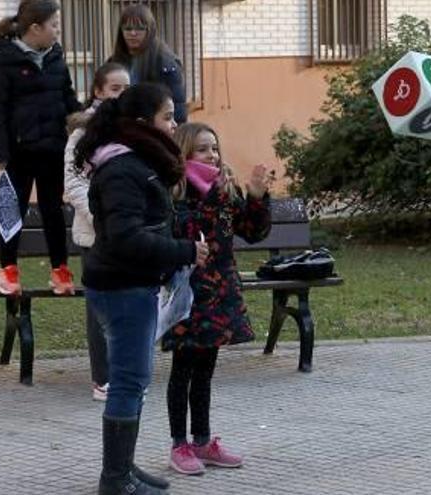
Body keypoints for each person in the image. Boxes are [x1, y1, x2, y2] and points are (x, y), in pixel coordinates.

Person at [74, 82, 208, 495]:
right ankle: (115, 479)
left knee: (134, 380)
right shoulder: (123, 169)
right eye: (167, 116)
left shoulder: (134, 161)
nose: (174, 124)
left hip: (131, 284)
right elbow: (125, 238)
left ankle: (124, 468)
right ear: (141, 122)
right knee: (129, 381)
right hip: (122, 288)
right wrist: (184, 251)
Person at [162, 123, 271, 475]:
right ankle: (179, 444)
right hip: (189, 294)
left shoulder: (225, 191)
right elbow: (181, 234)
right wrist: (211, 197)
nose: (213, 156)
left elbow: (252, 232)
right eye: (203, 150)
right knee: (183, 370)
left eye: (214, 148)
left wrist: (255, 197)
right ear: (184, 155)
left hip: (220, 291)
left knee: (206, 370)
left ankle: (203, 440)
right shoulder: (175, 193)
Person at [0, 0, 80, 296]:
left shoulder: (55, 54)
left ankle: (60, 271)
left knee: (54, 210)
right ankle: (8, 270)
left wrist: (82, 122)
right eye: (54, 26)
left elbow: (67, 95)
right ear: (35, 28)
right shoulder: (3, 56)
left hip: (53, 147)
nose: (57, 32)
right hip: (19, 151)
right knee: (14, 208)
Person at [63, 62, 129, 402]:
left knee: (129, 303)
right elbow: (72, 184)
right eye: (115, 89)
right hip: (95, 235)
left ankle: (127, 373)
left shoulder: (133, 130)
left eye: (125, 89)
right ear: (98, 91)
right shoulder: (83, 133)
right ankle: (102, 377)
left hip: (129, 234)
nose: (121, 95)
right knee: (99, 309)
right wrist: (100, 215)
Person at [109, 4, 188, 124]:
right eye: (128, 28)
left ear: (149, 30)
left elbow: (178, 108)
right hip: (121, 129)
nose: (133, 33)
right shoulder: (114, 61)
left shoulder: (165, 63)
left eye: (140, 28)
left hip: (153, 131)